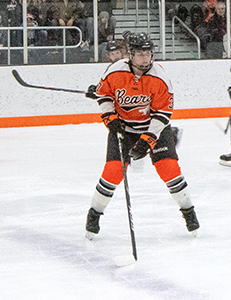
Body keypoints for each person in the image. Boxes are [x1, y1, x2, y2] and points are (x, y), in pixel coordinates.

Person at [84, 33, 198, 239]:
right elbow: (104, 95)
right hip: (124, 130)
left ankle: (189, 212)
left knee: (169, 170)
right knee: (112, 173)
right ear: (130, 54)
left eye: (148, 53)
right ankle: (94, 215)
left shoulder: (160, 77)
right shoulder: (115, 70)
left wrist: (147, 140)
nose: (146, 59)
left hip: (154, 128)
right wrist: (110, 118)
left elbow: (163, 113)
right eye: (140, 54)